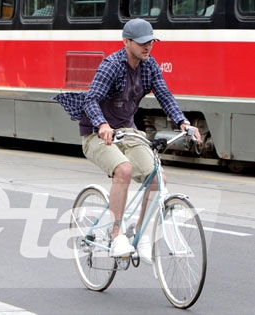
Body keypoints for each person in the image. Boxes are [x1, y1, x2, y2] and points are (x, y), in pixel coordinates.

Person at [54, 19, 201, 264]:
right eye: (142, 43)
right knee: (123, 170)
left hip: (128, 132)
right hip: (96, 134)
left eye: (151, 42)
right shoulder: (111, 65)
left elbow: (164, 95)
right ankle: (116, 234)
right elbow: (91, 100)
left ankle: (140, 235)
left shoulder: (149, 66)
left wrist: (183, 122)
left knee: (157, 179)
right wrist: (102, 125)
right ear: (126, 42)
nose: (148, 47)